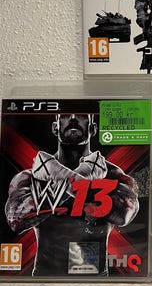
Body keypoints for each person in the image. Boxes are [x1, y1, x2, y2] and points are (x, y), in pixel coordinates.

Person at [5, 114, 139, 276]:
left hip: (94, 279)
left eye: (82, 115)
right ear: (55, 128)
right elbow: (16, 219)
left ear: (93, 128)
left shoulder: (113, 175)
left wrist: (54, 172)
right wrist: (84, 176)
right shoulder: (30, 177)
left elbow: (124, 214)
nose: (73, 119)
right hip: (45, 278)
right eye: (66, 115)